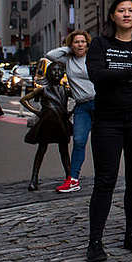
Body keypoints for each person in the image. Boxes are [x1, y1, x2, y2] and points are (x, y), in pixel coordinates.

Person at [85, 0, 132, 262]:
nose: (126, 14)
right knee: (105, 180)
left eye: (131, 10)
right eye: (121, 10)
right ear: (112, 16)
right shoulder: (100, 44)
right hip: (108, 120)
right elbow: (98, 76)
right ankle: (95, 241)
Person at [45, 31, 95, 193]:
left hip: (100, 104)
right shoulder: (67, 59)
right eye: (76, 42)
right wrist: (68, 49)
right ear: (71, 45)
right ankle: (73, 179)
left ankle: (106, 177)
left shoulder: (94, 57)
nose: (80, 45)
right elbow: (50, 55)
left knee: (103, 142)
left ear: (88, 44)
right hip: (82, 106)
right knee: (79, 141)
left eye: (83, 42)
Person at [20, 61, 71, 191]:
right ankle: (34, 177)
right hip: (46, 123)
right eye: (54, 70)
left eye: (60, 71)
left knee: (64, 152)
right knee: (41, 150)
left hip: (61, 123)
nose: (57, 73)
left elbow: (81, 97)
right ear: (48, 73)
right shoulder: (43, 89)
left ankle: (69, 177)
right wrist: (37, 112)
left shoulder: (65, 90)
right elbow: (24, 100)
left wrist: (70, 112)